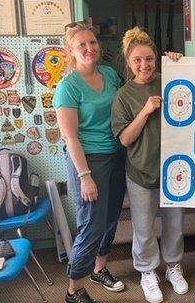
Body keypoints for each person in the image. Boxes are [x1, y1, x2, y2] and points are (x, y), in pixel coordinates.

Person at [111, 28, 187, 303]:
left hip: (175, 171)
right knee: (143, 230)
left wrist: (181, 65)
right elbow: (126, 139)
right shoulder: (123, 95)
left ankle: (173, 267)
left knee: (175, 225)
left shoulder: (171, 80)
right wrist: (145, 111)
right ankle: (147, 271)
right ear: (129, 64)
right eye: (137, 61)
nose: (144, 65)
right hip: (141, 172)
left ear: (157, 58)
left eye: (150, 59)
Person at [54, 22, 127, 303]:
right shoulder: (67, 87)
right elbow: (71, 138)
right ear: (70, 51)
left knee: (110, 218)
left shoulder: (109, 75)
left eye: (92, 42)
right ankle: (74, 289)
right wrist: (85, 176)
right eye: (81, 44)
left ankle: (100, 268)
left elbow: (131, 98)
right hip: (87, 161)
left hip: (116, 154)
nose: (89, 48)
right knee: (91, 225)